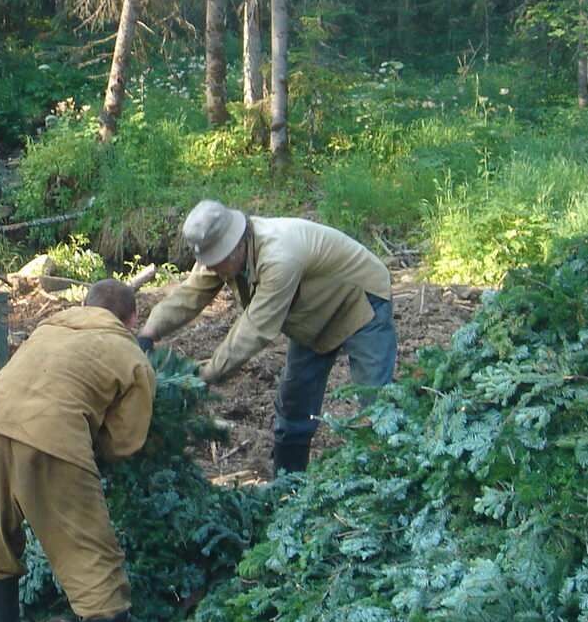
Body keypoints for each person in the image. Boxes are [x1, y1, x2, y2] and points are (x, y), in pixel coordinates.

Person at [0, 278, 158, 622]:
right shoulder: (129, 354)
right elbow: (122, 444)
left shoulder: (49, 328)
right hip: (51, 436)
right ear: (133, 319)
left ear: (84, 304)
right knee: (89, 551)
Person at [137, 199, 396, 474]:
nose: (213, 269)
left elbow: (255, 328)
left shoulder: (279, 256)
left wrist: (207, 375)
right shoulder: (224, 256)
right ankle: (288, 481)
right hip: (310, 315)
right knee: (294, 401)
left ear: (237, 247)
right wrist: (148, 333)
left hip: (360, 300)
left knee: (373, 399)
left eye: (217, 261)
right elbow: (190, 295)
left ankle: (386, 473)